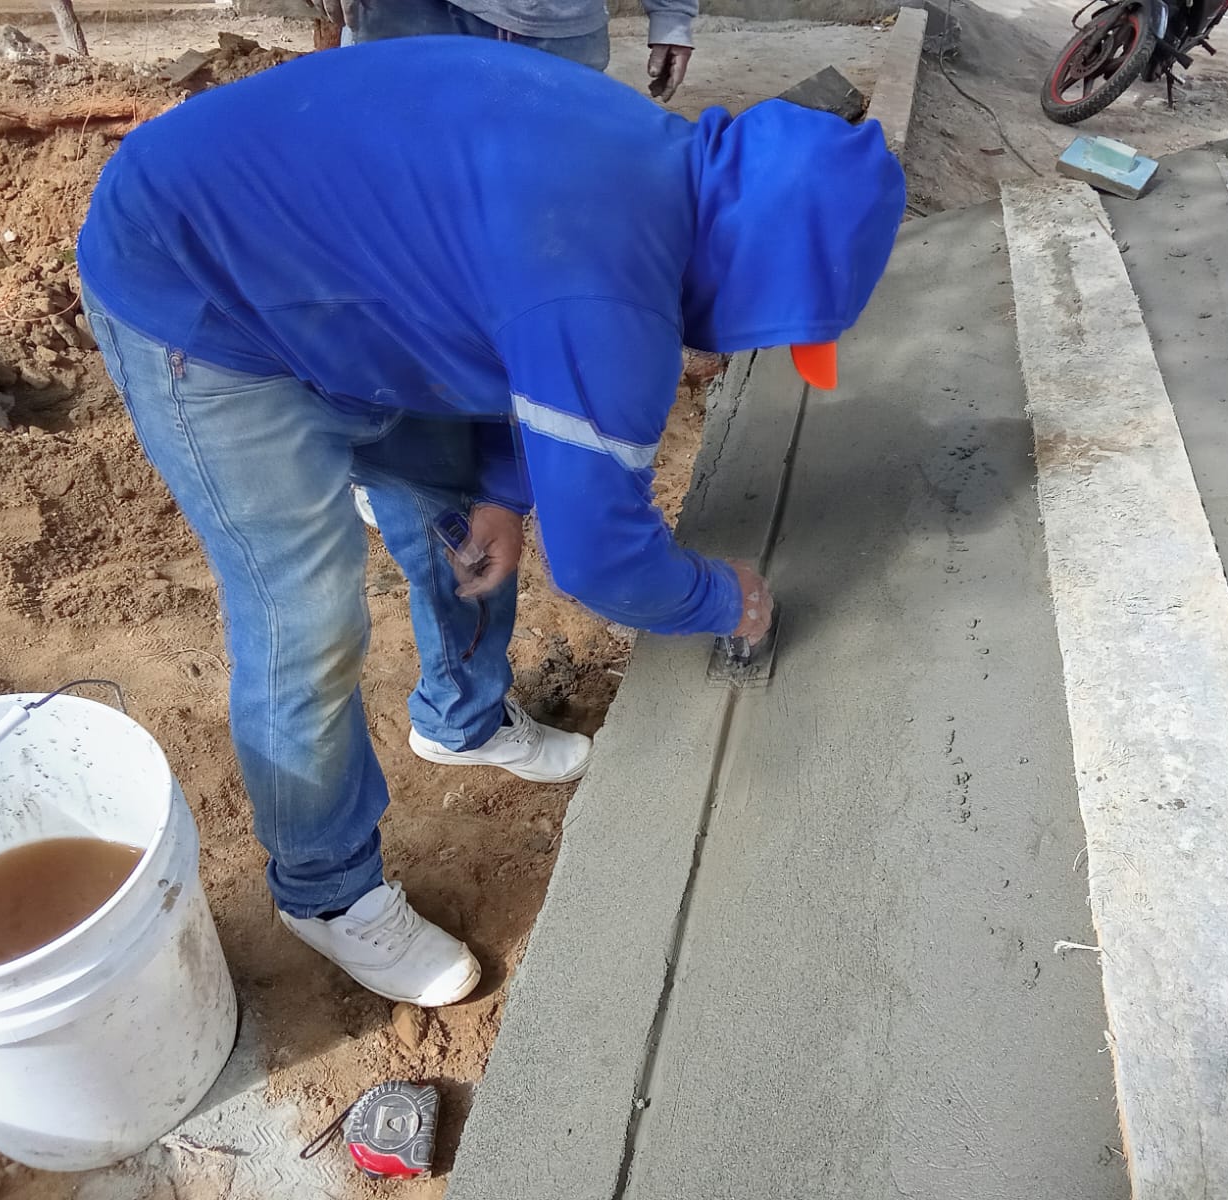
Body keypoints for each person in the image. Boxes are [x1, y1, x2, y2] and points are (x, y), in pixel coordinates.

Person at [76, 37, 904, 1007]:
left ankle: (459, 721)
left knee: (457, 513)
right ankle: (326, 891)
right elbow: (601, 562)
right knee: (304, 617)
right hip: (193, 289)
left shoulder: (644, 169)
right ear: (752, 269)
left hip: (329, 268)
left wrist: (505, 490)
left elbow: (504, 323)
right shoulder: (605, 295)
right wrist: (726, 599)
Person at [314, 0, 695, 102]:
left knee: (548, 195)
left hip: (553, 23)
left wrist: (672, 13)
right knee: (392, 183)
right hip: (407, 14)